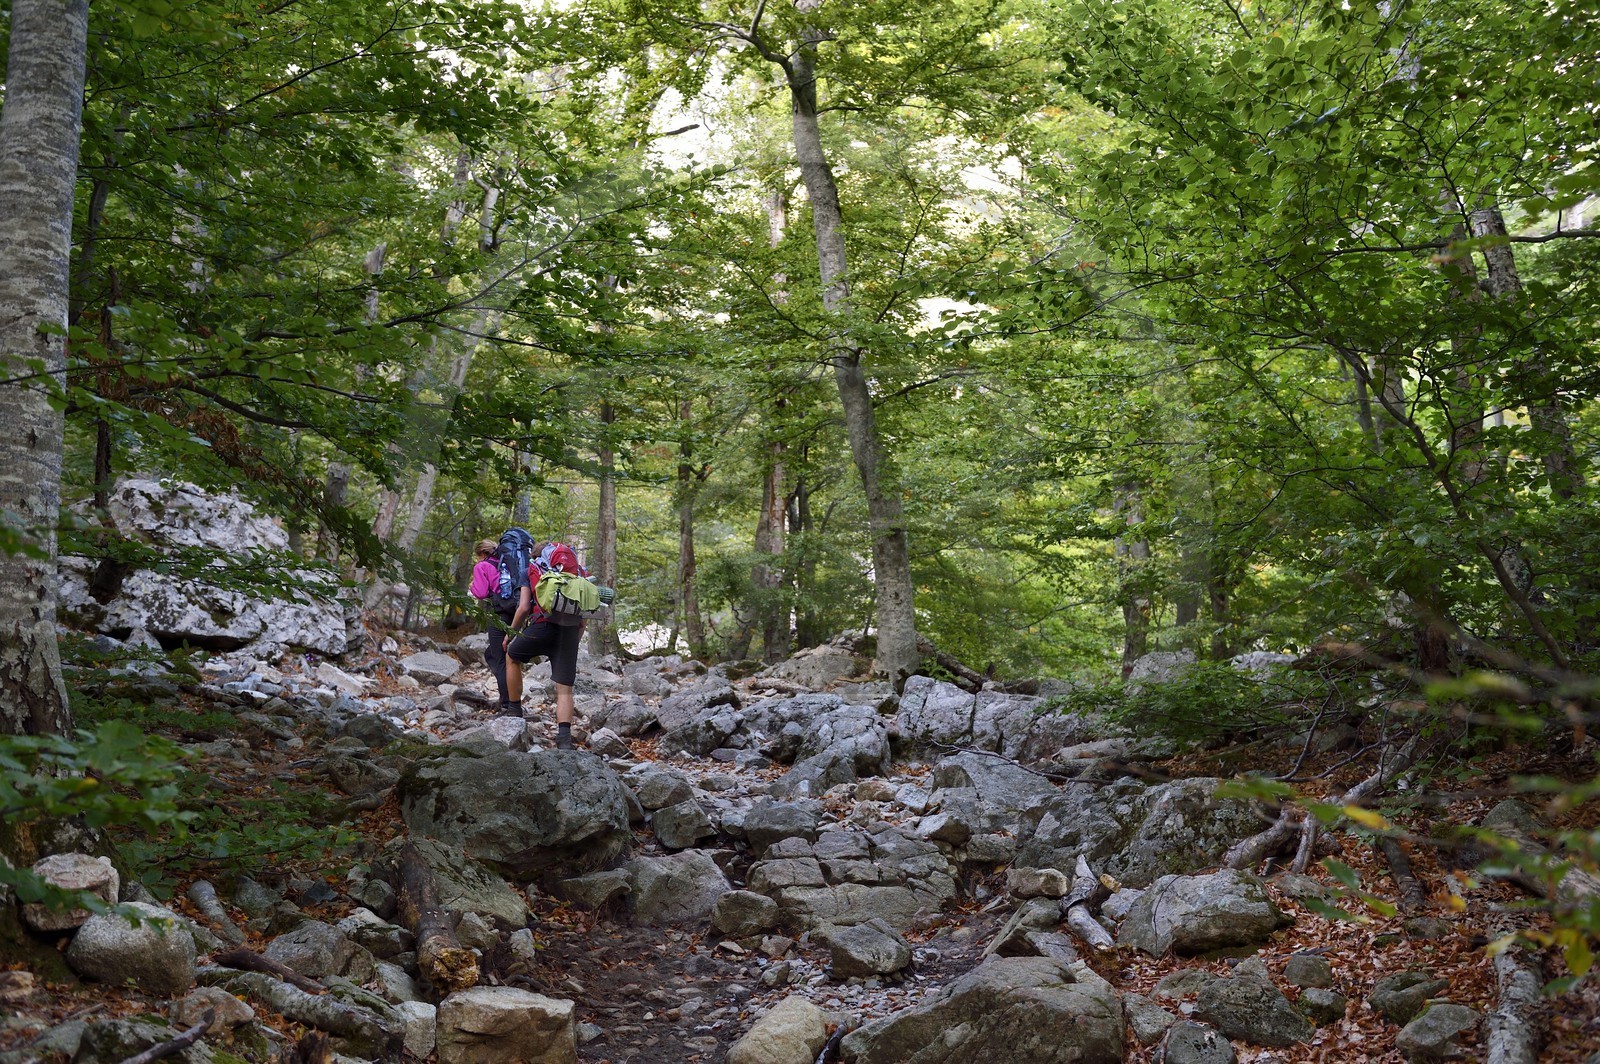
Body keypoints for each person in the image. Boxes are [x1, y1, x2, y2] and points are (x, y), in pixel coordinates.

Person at [504, 541, 587, 750]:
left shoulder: (530, 570)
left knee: (512, 656)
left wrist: (510, 633)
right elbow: (583, 619)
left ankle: (514, 710)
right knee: (565, 689)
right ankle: (564, 739)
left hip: (541, 627)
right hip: (568, 633)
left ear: (537, 557)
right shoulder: (577, 573)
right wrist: (573, 643)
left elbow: (523, 608)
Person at [467, 538, 518, 715]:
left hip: (497, 612)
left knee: (499, 658)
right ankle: (511, 699)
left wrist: (471, 588)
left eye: (478, 555)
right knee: (496, 654)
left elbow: (480, 593)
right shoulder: (506, 564)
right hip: (514, 612)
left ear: (482, 553)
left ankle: (507, 703)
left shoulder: (482, 566)